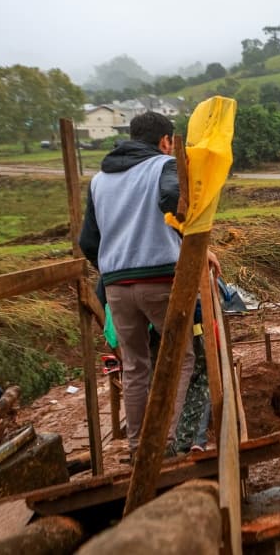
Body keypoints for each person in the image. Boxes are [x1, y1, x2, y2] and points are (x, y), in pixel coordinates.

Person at [79, 112, 218, 456]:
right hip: (160, 277)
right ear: (165, 142)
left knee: (135, 366)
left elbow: (88, 241)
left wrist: (113, 266)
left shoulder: (98, 180)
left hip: (116, 285)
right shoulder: (163, 167)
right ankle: (166, 443)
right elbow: (175, 203)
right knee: (180, 358)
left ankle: (138, 445)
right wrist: (197, 246)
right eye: (171, 144)